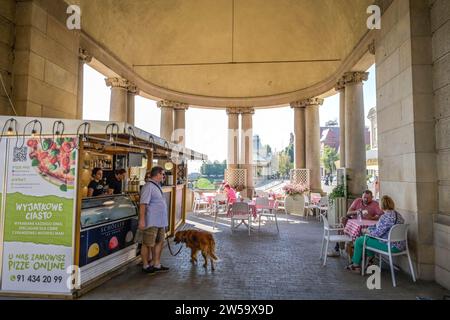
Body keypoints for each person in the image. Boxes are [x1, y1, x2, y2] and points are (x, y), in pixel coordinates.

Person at [346, 195, 405, 273]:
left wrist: (366, 231)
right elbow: (382, 228)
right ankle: (370, 261)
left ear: (381, 205)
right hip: (401, 245)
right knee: (365, 239)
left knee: (359, 240)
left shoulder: (385, 217)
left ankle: (356, 265)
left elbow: (376, 234)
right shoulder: (398, 215)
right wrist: (369, 229)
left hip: (389, 246)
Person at [329, 190, 384, 257]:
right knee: (343, 220)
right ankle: (338, 248)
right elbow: (348, 212)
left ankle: (359, 252)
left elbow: (381, 215)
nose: (365, 199)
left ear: (372, 197)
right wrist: (356, 211)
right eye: (364, 197)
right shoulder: (358, 201)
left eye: (368, 198)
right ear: (362, 196)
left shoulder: (375, 204)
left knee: (362, 233)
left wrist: (371, 218)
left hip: (367, 226)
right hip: (354, 222)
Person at [139, 166, 169, 274]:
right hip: (150, 220)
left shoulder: (157, 185)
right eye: (162, 174)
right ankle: (145, 265)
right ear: (157, 174)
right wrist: (142, 220)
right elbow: (143, 204)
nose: (163, 176)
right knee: (147, 243)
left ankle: (156, 264)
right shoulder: (148, 186)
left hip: (160, 221)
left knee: (159, 242)